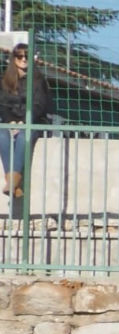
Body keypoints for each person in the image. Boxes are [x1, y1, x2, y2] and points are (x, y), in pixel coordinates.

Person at [0, 43, 53, 215]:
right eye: (20, 56)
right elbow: (3, 106)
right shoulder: (5, 80)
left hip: (35, 122)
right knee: (2, 135)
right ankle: (14, 184)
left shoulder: (38, 80)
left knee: (23, 137)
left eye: (27, 56)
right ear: (14, 59)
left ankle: (13, 182)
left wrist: (24, 121)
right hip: (12, 123)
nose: (23, 59)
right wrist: (11, 122)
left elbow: (40, 106)